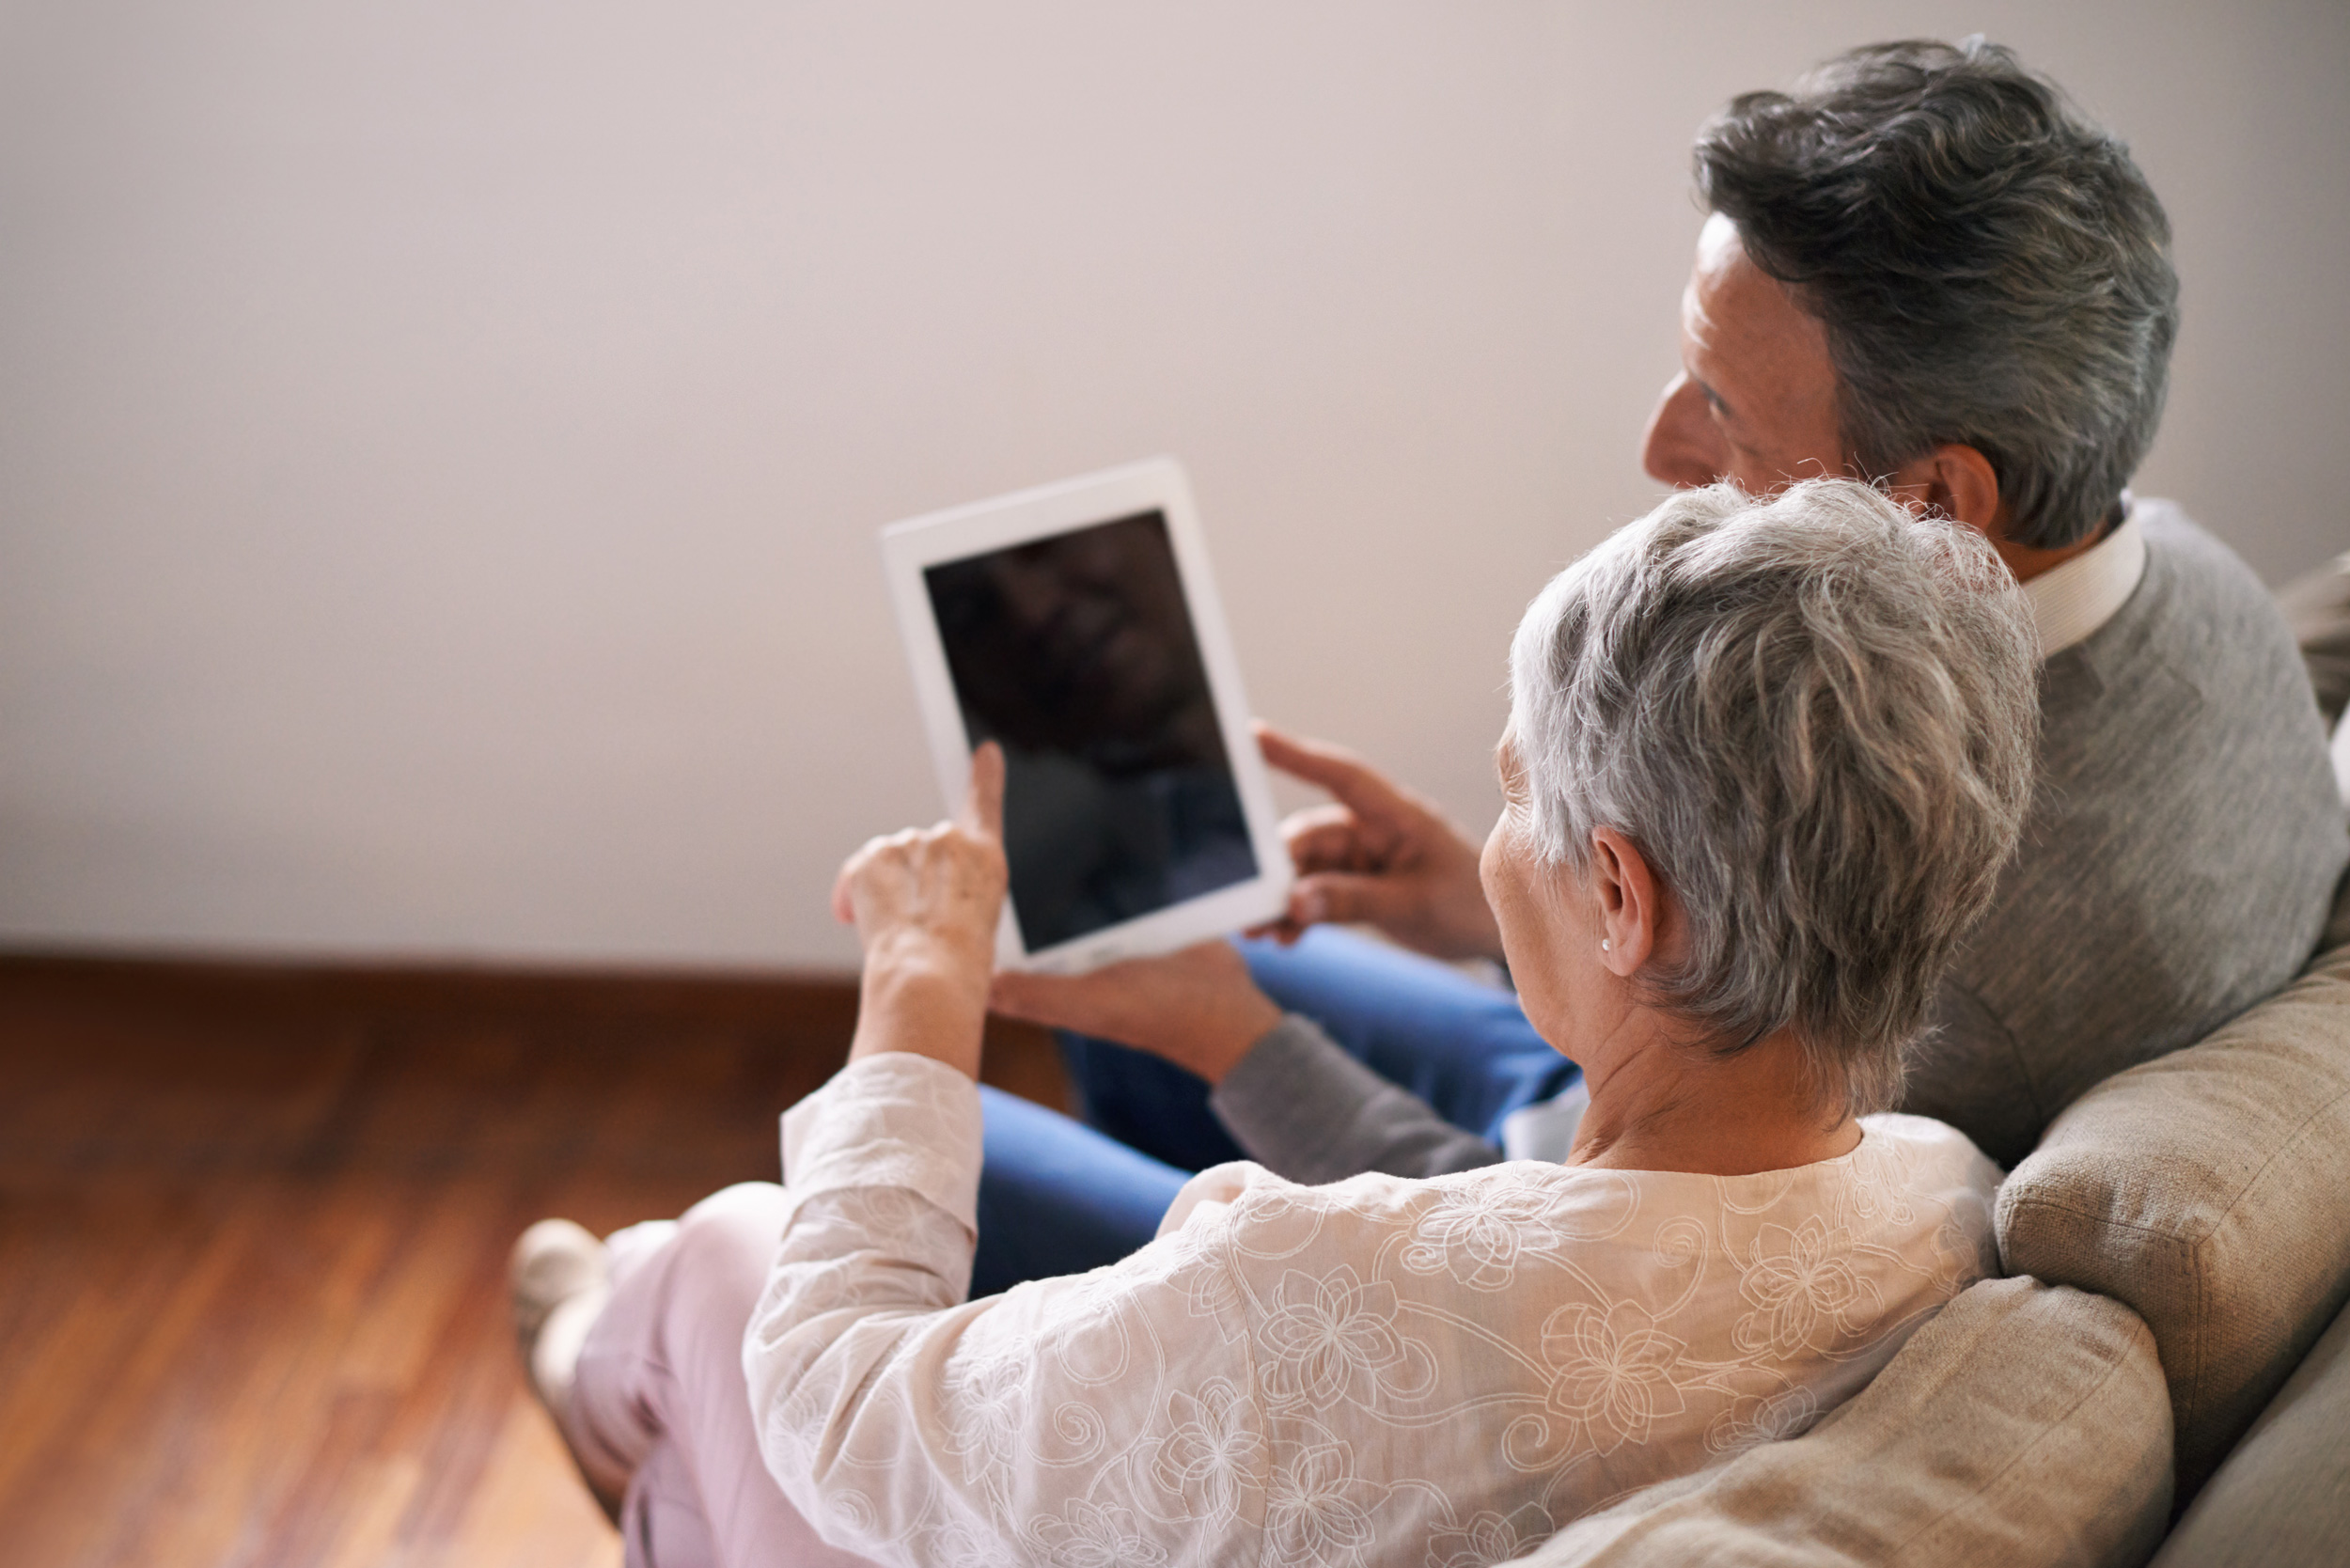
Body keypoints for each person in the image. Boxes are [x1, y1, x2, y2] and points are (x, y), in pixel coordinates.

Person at [973, 38, 2350, 1294]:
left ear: (1936, 503)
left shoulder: (1967, 961)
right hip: (1610, 1066)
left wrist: (1239, 1048)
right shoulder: (2179, 569)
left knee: (1005, 1113)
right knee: (1129, 978)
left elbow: (1604, 1288)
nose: (1661, 447)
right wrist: (1496, 896)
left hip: (1546, 1207)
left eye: (1725, 411)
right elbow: (1697, 1043)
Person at [514, 478, 2035, 1566]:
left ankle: (597, 1369)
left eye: (1518, 799)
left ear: (1623, 900)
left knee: (725, 1260)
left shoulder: (1316, 1294)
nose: (1502, 842)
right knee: (693, 1293)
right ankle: (615, 1364)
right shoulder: (1950, 1196)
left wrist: (916, 980)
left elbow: (842, 1419)